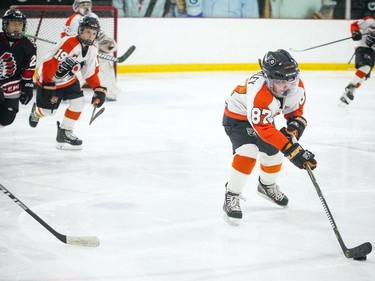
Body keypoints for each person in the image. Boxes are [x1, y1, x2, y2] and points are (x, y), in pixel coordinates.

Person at [222, 49, 317, 226]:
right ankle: (232, 194)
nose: (286, 86)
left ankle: (267, 186)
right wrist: (292, 150)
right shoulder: (260, 94)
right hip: (238, 118)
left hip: (263, 118)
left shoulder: (296, 86)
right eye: (280, 82)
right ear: (268, 79)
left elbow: (294, 112)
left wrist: (294, 128)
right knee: (248, 153)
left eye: (291, 80)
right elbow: (263, 127)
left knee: (274, 153)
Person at [29, 16, 107, 150]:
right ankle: (37, 112)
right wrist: (47, 83)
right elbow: (49, 63)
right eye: (88, 32)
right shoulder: (69, 43)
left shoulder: (92, 49)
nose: (90, 36)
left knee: (79, 102)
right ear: (81, 30)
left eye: (94, 33)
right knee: (48, 112)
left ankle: (65, 132)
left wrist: (98, 89)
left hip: (69, 79)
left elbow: (90, 72)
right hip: (50, 80)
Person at [62, 0, 119, 101]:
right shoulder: (74, 19)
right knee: (78, 71)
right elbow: (69, 39)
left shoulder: (94, 17)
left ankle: (110, 92)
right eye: (83, 4)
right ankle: (66, 93)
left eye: (88, 4)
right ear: (76, 6)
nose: (86, 7)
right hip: (76, 52)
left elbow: (96, 36)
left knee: (105, 66)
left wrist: (104, 43)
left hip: (92, 50)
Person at [0, 9, 36, 129]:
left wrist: (27, 86)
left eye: (20, 24)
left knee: (7, 118)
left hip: (12, 84)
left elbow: (28, 68)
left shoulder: (29, 45)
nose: (17, 27)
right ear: (5, 25)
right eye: (13, 23)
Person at [340, 16, 375, 105]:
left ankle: (347, 95)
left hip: (373, 53)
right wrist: (355, 32)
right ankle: (350, 87)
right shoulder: (370, 20)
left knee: (363, 77)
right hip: (363, 48)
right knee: (365, 68)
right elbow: (354, 24)